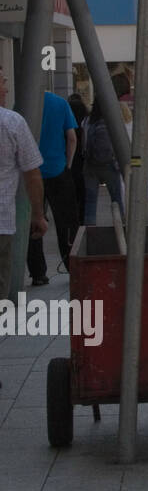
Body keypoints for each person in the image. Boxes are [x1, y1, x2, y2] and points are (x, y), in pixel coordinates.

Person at [0, 67, 47, 313]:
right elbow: (32, 173)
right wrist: (38, 215)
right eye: (3, 82)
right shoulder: (12, 122)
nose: (6, 88)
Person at [25, 91, 77, 286]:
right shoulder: (60, 103)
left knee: (34, 220)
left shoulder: (24, 101)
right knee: (66, 221)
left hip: (31, 171)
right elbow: (71, 137)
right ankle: (71, 264)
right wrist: (68, 164)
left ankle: (38, 273)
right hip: (57, 169)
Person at [82, 97, 124, 226]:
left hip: (90, 165)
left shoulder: (87, 121)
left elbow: (83, 143)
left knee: (90, 199)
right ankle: (121, 225)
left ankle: (90, 227)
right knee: (116, 198)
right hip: (110, 165)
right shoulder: (112, 122)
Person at [67, 92, 87, 228]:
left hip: (70, 162)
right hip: (83, 161)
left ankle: (72, 218)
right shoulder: (86, 124)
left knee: (71, 194)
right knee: (83, 193)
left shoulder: (67, 126)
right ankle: (82, 218)